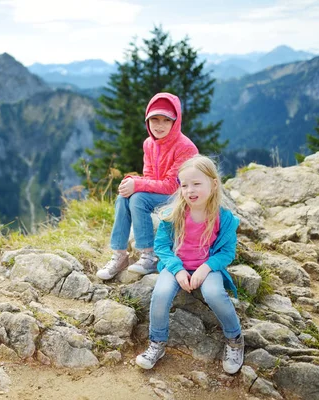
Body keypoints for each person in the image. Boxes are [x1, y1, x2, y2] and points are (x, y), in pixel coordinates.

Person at [135, 155, 244, 375]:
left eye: (197, 184)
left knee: (214, 293)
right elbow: (163, 247)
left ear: (213, 184)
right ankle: (157, 343)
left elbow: (226, 253)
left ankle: (235, 338)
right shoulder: (173, 214)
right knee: (161, 293)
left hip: (208, 267)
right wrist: (177, 270)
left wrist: (205, 268)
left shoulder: (224, 219)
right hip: (177, 266)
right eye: (184, 185)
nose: (190, 190)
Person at [96, 93, 198, 280]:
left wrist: (138, 184)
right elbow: (150, 177)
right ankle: (119, 255)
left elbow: (170, 186)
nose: (159, 125)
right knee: (123, 197)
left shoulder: (186, 147)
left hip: (180, 197)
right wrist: (133, 184)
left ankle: (149, 256)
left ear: (175, 122)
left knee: (138, 197)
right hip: (160, 195)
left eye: (166, 120)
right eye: (154, 119)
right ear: (147, 121)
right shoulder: (149, 144)